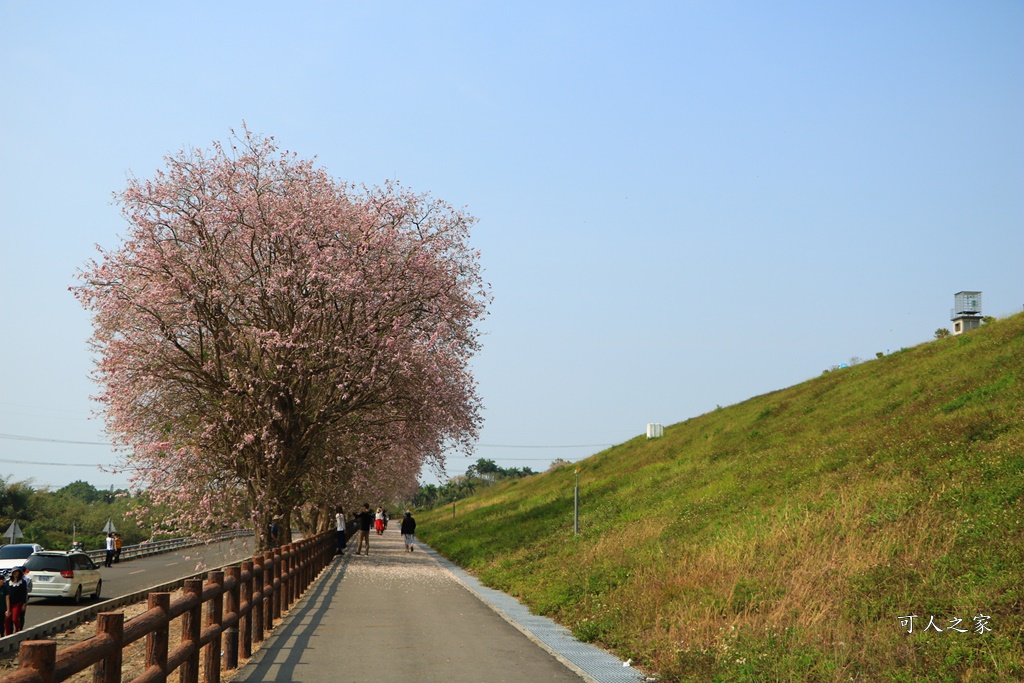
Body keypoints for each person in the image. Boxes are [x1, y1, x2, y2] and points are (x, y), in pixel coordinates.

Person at [5, 568, 29, 636]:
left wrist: (24, 604)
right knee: (7, 619)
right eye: (14, 572)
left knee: (15, 619)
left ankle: (17, 631)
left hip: (17, 603)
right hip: (9, 603)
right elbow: (6, 595)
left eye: (17, 572)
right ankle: (8, 634)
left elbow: (24, 593)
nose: (15, 573)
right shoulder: (8, 582)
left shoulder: (22, 582)